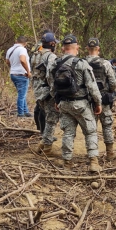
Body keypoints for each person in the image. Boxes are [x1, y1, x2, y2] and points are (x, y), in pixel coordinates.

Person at [47, 34, 103, 171]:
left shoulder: (55, 63)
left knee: (68, 133)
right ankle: (94, 162)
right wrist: (98, 103)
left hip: (64, 104)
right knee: (90, 132)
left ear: (63, 48)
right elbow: (92, 87)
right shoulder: (82, 63)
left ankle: (67, 163)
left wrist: (56, 99)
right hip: (81, 104)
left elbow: (51, 83)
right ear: (76, 47)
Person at [86, 38, 116, 161]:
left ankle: (92, 154)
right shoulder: (105, 63)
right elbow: (113, 82)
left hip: (88, 100)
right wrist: (109, 92)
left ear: (87, 48)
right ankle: (110, 153)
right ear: (98, 49)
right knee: (107, 125)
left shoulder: (82, 62)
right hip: (104, 99)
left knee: (90, 128)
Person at [30, 32, 60, 154]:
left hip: (37, 91)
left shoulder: (35, 55)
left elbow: (33, 74)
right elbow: (50, 77)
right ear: (52, 43)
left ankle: (43, 143)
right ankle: (47, 148)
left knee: (48, 118)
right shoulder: (51, 57)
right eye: (55, 43)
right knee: (52, 119)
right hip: (47, 92)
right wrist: (55, 94)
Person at [6, 36, 32, 117]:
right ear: (25, 43)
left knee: (22, 94)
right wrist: (28, 71)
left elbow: (7, 62)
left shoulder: (10, 49)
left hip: (13, 74)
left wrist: (14, 68)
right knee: (21, 95)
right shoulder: (22, 49)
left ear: (17, 41)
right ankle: (20, 113)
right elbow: (22, 60)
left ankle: (26, 111)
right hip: (22, 75)